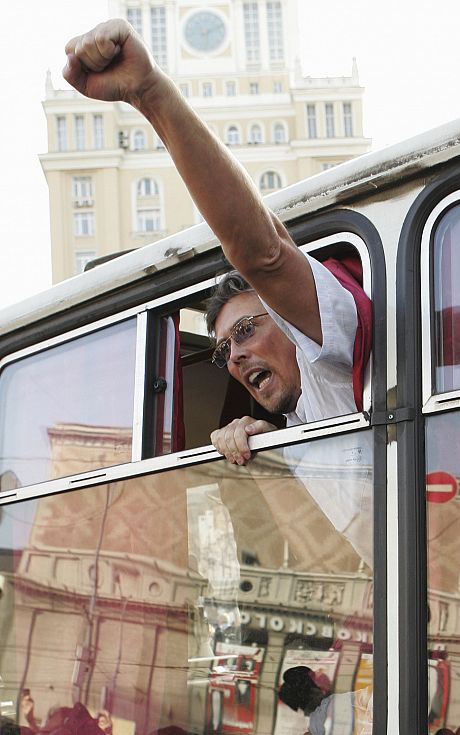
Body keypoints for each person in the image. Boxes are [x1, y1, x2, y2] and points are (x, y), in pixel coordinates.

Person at [62, 18, 369, 468]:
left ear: (291, 323)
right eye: (225, 349)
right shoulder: (296, 426)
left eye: (245, 331)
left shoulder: (333, 357)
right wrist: (270, 453)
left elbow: (263, 254)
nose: (236, 356)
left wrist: (149, 93)